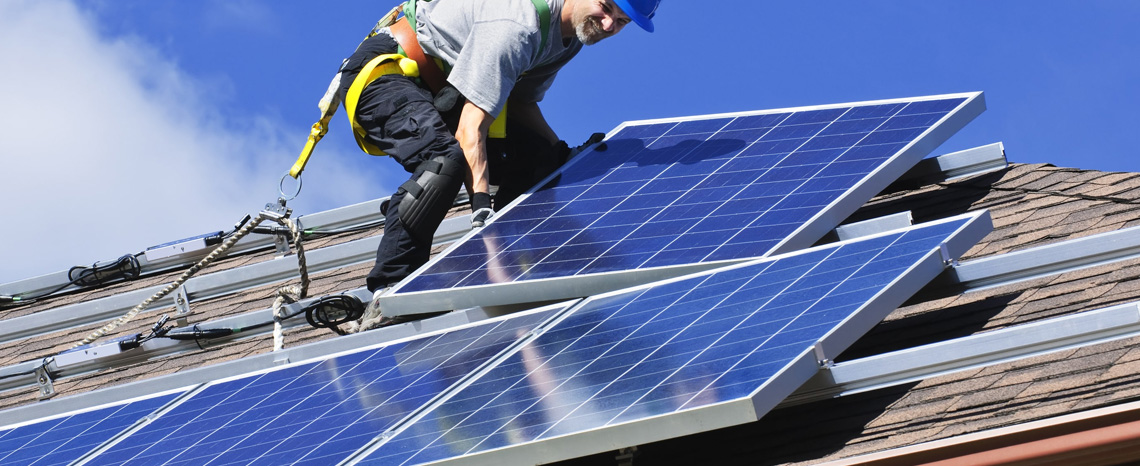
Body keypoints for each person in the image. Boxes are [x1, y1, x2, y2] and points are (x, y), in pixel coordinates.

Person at [338, 0, 661, 327]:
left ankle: (523, 264)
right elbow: (469, 132)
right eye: (606, 8)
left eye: (621, 22)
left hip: (445, 89)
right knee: (444, 162)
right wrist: (482, 213)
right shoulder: (519, 25)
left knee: (543, 164)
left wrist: (559, 151)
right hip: (388, 71)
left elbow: (520, 101)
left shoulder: (569, 40)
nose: (608, 26)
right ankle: (392, 290)